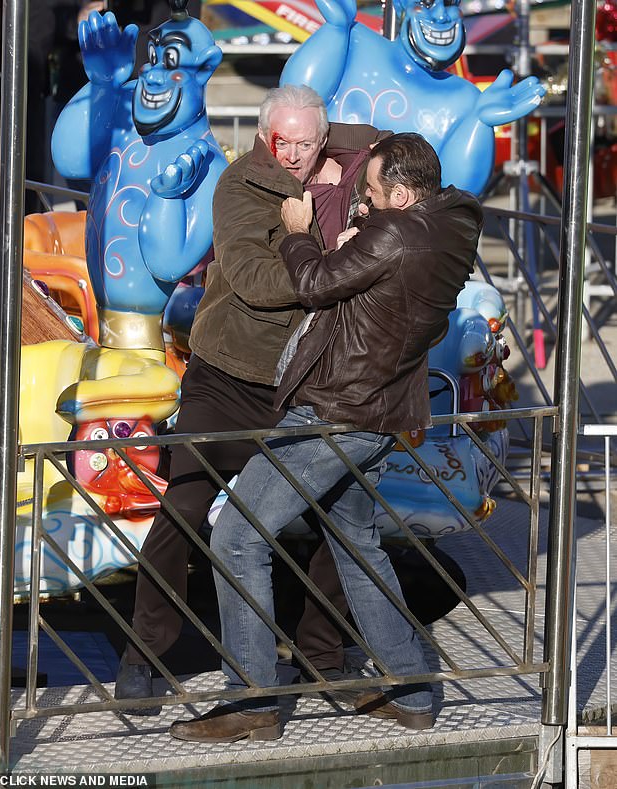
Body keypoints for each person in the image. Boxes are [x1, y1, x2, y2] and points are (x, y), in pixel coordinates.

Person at [168, 132, 483, 743]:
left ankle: (251, 700)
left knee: (236, 534)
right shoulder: (445, 230)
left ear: (400, 192)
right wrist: (363, 233)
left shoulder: (395, 234)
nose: (363, 202)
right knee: (355, 540)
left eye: (371, 193)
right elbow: (377, 287)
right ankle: (413, 689)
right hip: (380, 414)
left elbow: (313, 284)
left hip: (334, 415)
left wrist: (299, 231)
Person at [115, 84, 389, 712]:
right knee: (186, 503)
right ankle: (144, 654)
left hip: (305, 381)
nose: (290, 153)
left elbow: (387, 148)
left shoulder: (352, 164)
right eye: (279, 140)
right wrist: (333, 267)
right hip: (229, 372)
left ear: (324, 140)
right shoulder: (242, 185)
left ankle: (323, 656)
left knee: (345, 512)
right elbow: (256, 280)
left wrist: (355, 147)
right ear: (266, 136)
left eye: (305, 141)